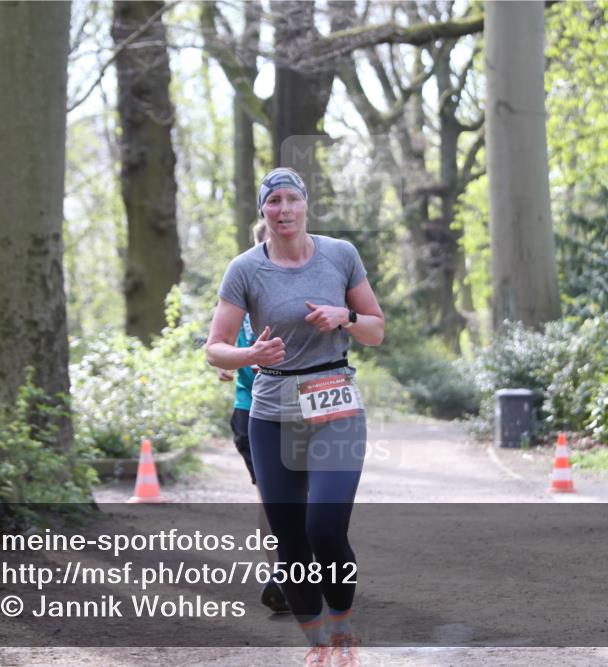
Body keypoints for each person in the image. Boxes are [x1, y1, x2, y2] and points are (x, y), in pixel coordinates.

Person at [206, 167, 384, 667]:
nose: (283, 210)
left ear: (306, 205)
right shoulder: (245, 269)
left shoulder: (340, 255)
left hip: (336, 404)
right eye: (273, 202)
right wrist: (250, 356)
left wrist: (344, 317)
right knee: (290, 542)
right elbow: (216, 348)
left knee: (325, 528)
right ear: (262, 211)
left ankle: (343, 622)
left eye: (291, 200)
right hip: (271, 412)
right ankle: (317, 645)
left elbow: (375, 330)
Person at [215, 220, 289, 614]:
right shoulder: (240, 281)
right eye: (265, 245)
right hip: (252, 408)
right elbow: (219, 342)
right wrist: (227, 363)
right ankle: (280, 577)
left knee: (304, 493)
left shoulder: (302, 282)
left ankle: (301, 570)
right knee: (269, 494)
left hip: (302, 404)